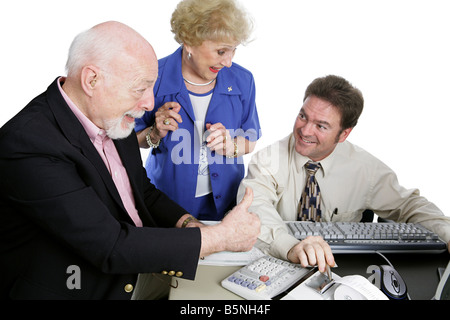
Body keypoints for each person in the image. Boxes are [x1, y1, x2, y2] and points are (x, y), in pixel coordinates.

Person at [0, 21, 260, 300]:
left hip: (144, 271)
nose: (149, 103)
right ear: (92, 80)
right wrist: (219, 237)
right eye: (140, 89)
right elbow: (110, 245)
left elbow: (141, 191)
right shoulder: (27, 144)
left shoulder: (112, 116)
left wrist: (187, 222)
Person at [237, 75, 450, 273]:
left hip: (347, 271)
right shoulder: (268, 160)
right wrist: (291, 246)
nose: (305, 130)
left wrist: (446, 233)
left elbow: (411, 205)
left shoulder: (365, 169)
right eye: (303, 116)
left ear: (344, 134)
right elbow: (254, 208)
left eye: (321, 125)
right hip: (283, 264)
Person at [135, 0, 261, 221]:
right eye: (221, 51)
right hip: (167, 206)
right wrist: (154, 133)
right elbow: (129, 140)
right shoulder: (153, 77)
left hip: (226, 207)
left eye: (233, 51)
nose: (228, 62)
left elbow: (250, 140)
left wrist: (231, 146)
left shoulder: (243, 81)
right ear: (189, 42)